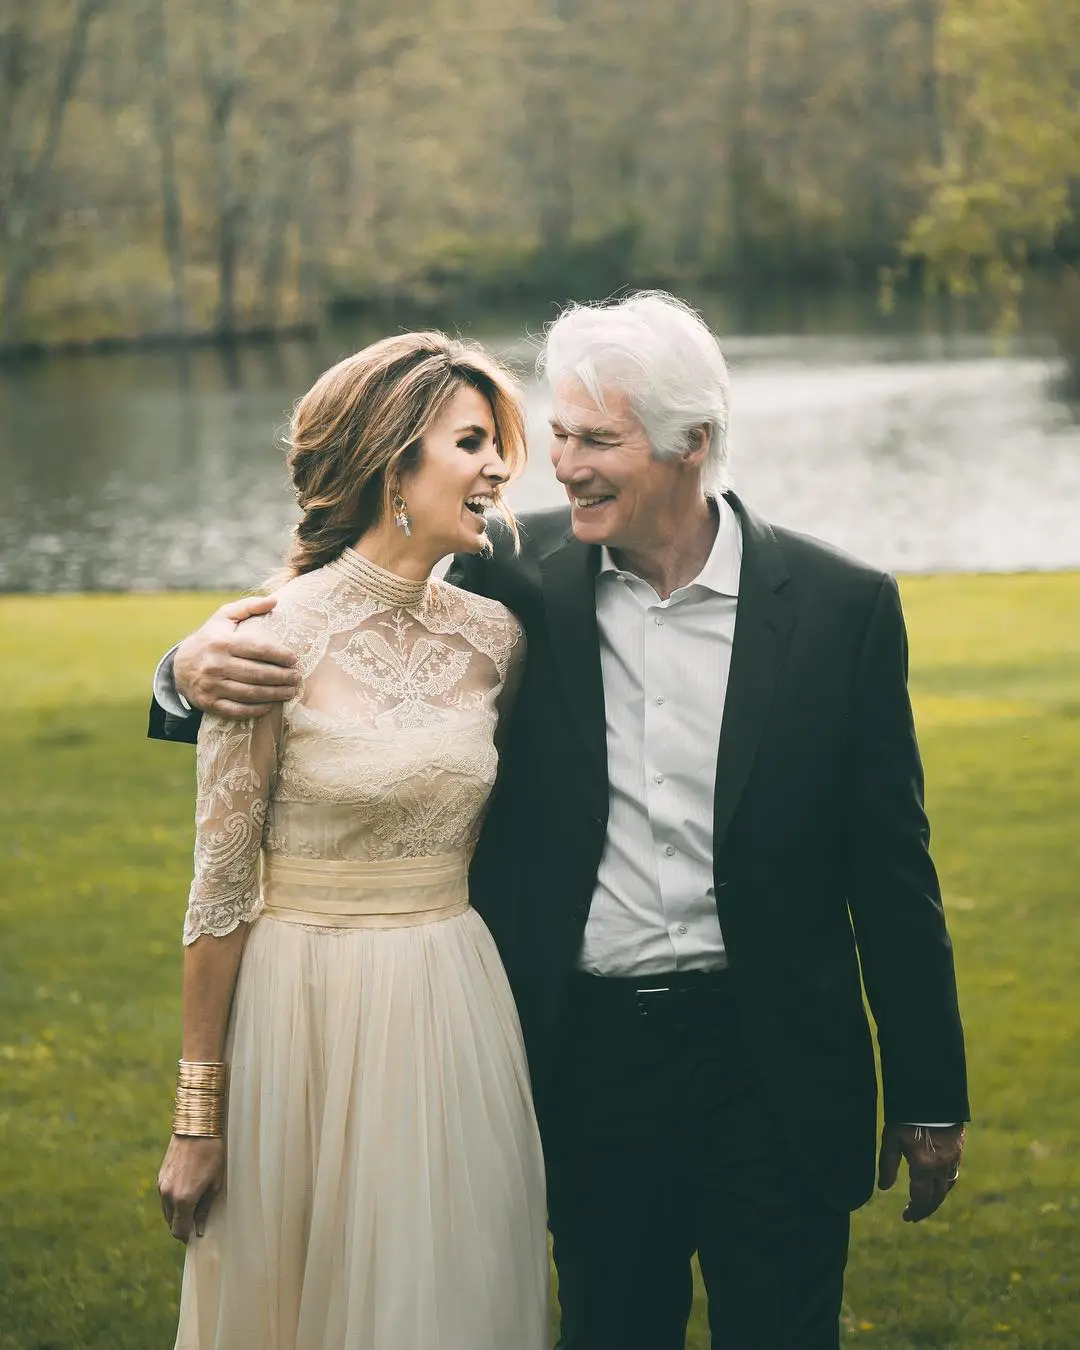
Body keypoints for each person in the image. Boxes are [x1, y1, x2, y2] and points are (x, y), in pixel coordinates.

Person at [152, 293, 969, 1350]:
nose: (560, 465)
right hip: (587, 1063)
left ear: (691, 445)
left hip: (773, 1066)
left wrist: (930, 1091)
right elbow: (338, 627)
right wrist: (179, 672)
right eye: (561, 434)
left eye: (595, 440)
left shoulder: (840, 606)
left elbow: (893, 869)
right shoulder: (515, 579)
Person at [152, 331, 551, 1350]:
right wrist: (199, 1117)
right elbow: (219, 892)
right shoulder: (265, 642)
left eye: (499, 442)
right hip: (305, 1011)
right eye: (472, 442)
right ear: (393, 468)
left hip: (451, 998)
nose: (502, 468)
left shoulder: (494, 639)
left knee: (447, 1299)